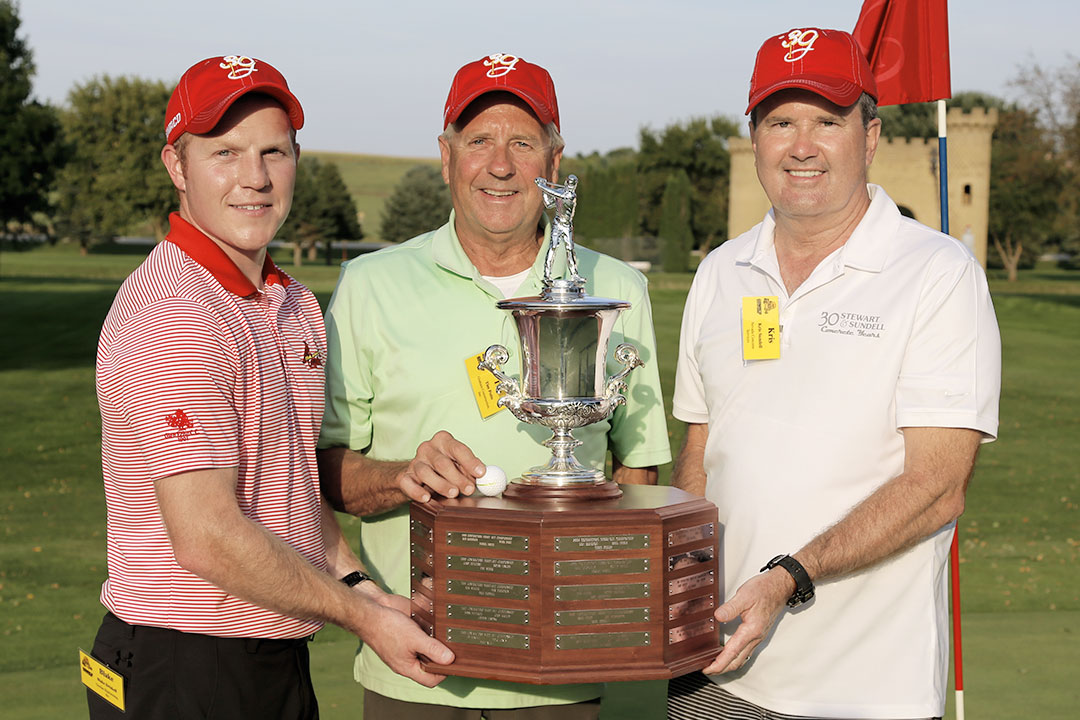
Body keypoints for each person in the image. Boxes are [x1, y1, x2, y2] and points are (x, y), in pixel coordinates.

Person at [89, 55, 452, 720]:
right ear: (177, 167)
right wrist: (364, 621)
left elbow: (288, 486)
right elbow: (207, 536)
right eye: (224, 153)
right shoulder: (175, 313)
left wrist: (358, 587)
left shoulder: (291, 304)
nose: (254, 179)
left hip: (271, 656)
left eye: (273, 153)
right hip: (184, 666)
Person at [318, 52, 672, 719]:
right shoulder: (371, 286)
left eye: (522, 143)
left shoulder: (616, 289)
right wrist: (405, 476)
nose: (501, 164)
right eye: (479, 141)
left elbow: (641, 468)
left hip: (571, 677)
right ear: (447, 158)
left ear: (555, 163)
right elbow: (326, 475)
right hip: (416, 672)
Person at [666, 28, 1001, 720]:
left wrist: (788, 578)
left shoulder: (937, 274)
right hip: (711, 674)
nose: (802, 145)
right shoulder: (721, 270)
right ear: (754, 137)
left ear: (870, 136)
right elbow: (703, 446)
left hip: (863, 693)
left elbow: (937, 488)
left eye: (827, 120)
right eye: (780, 121)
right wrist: (686, 578)